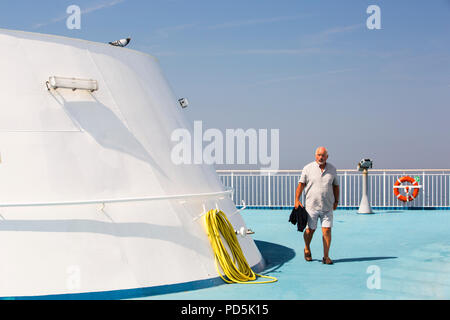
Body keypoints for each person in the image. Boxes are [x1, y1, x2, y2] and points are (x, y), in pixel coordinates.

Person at [294, 147, 340, 265]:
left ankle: (326, 257)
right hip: (311, 206)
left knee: (327, 231)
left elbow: (336, 186)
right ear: (315, 156)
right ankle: (307, 247)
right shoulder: (307, 168)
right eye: (319, 155)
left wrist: (336, 201)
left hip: (327, 206)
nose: (321, 157)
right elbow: (301, 185)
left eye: (323, 155)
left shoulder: (332, 169)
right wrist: (296, 200)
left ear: (327, 157)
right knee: (310, 230)